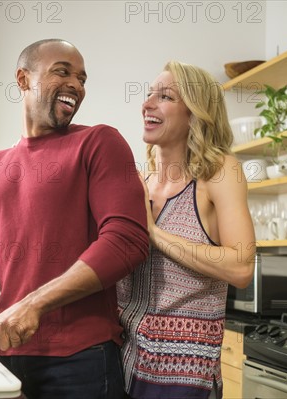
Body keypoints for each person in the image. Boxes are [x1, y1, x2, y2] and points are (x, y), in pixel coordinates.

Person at [0, 38, 149, 398]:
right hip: (5, 354)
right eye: (62, 71)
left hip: (82, 359)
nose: (76, 85)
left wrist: (34, 303)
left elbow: (126, 241)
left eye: (82, 78)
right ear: (23, 79)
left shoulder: (99, 143)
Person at [117, 61, 256, 399]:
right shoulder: (140, 183)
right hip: (122, 365)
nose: (147, 103)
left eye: (164, 96)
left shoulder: (220, 173)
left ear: (195, 114)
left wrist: (153, 232)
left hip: (182, 381)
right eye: (149, 94)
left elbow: (241, 267)